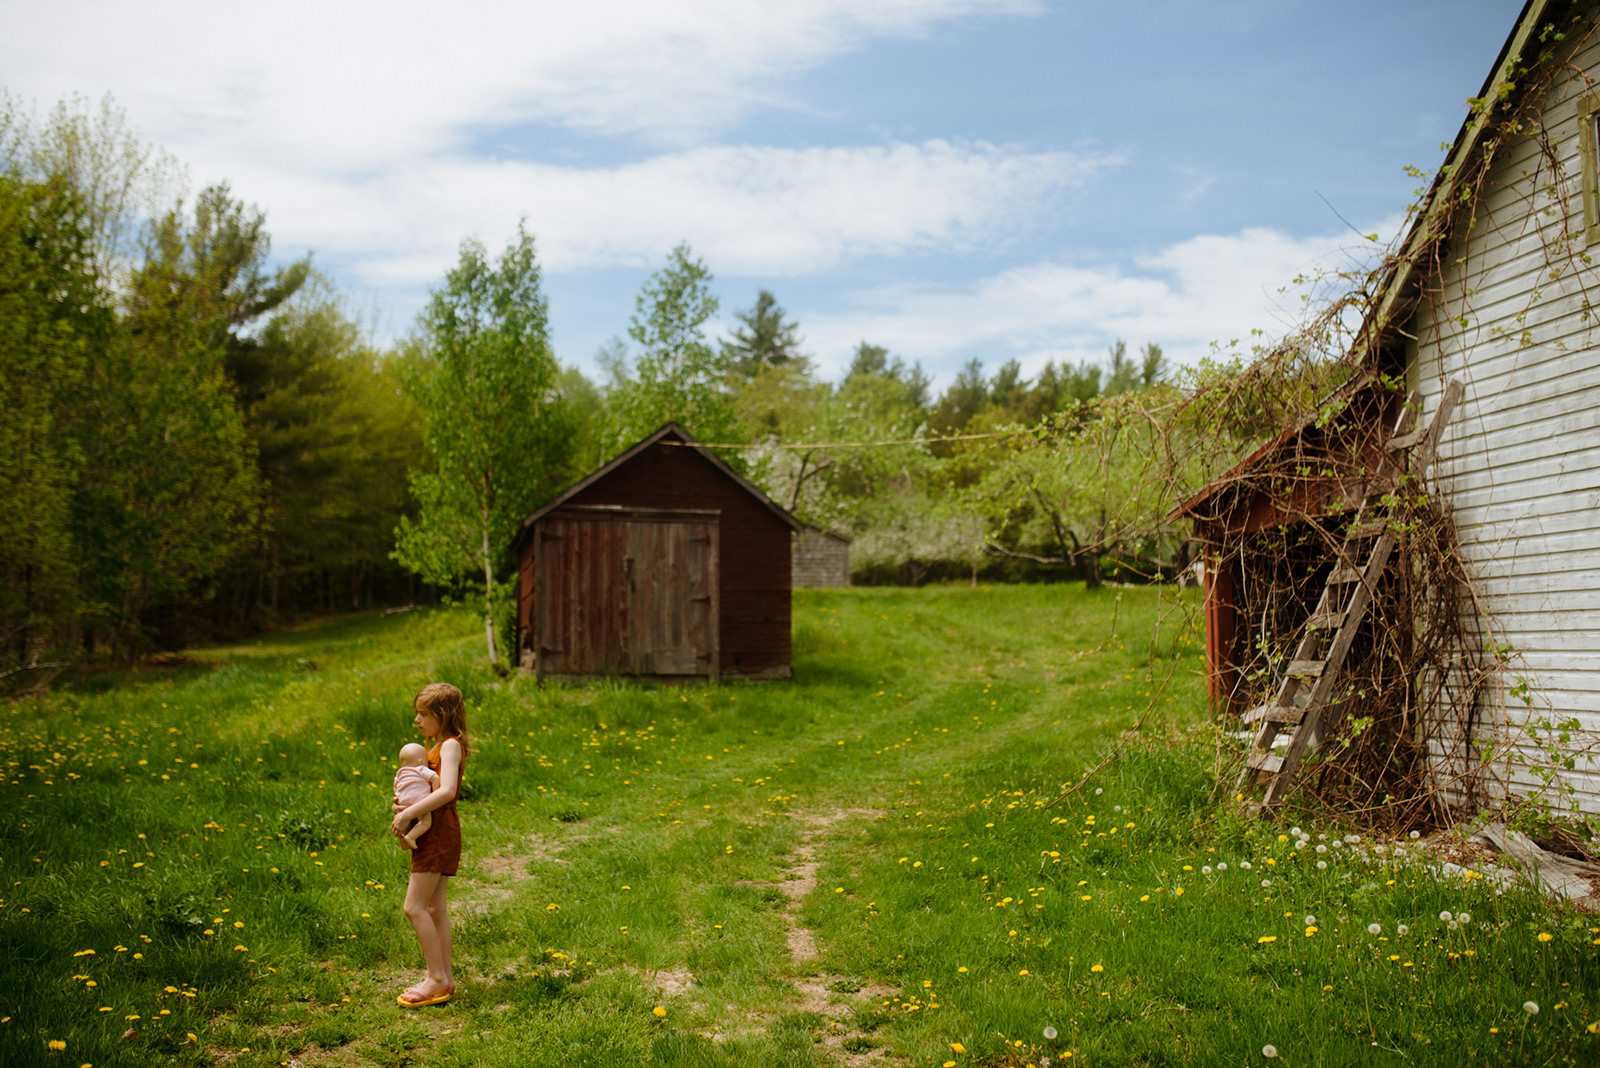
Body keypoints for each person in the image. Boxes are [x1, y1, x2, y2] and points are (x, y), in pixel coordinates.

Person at [391, 682, 468, 1008]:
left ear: (443, 714)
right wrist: (406, 805)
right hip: (435, 830)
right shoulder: (434, 747)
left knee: (414, 907)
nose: (417, 720)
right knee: (434, 907)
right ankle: (444, 979)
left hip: (439, 833)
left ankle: (435, 977)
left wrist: (410, 812)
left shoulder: (450, 745)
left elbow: (447, 791)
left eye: (423, 714)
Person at [392, 743, 440, 850]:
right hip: (419, 799)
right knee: (425, 822)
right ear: (420, 761)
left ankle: (403, 841)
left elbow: (395, 786)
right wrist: (435, 793)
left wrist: (398, 796)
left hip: (403, 800)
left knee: (404, 822)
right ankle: (411, 837)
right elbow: (435, 778)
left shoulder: (400, 772)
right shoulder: (421, 769)